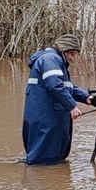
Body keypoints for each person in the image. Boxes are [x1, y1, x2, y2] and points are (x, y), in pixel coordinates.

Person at [24, 33, 90, 164]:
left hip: (47, 116)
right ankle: (43, 183)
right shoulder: (51, 59)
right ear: (64, 51)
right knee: (42, 161)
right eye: (71, 53)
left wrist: (87, 97)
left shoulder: (54, 60)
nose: (72, 58)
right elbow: (55, 85)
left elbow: (67, 86)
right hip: (46, 117)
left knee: (50, 158)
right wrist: (72, 106)